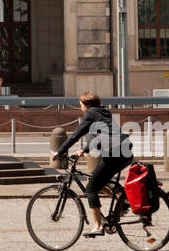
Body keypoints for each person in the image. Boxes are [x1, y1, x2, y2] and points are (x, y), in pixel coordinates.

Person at [51, 92, 130, 237]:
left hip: (115, 153)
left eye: (80, 104)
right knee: (99, 180)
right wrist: (83, 150)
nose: (79, 106)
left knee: (91, 188)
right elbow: (100, 136)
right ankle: (122, 201)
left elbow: (76, 134)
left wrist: (60, 152)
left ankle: (98, 226)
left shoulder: (90, 113)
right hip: (125, 151)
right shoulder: (103, 112)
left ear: (87, 104)